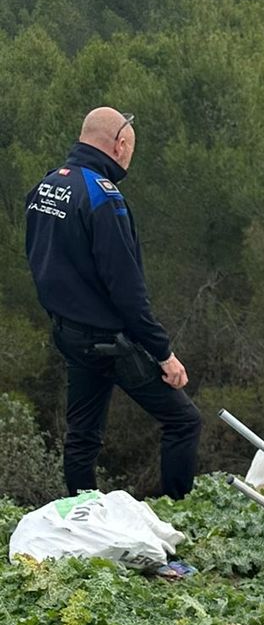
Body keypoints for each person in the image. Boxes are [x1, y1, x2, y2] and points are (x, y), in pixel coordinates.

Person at [25, 107, 201, 500]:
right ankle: (178, 509)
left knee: (82, 437)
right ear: (120, 146)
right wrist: (163, 353)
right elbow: (127, 290)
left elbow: (39, 261)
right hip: (109, 342)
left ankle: (84, 515)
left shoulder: (45, 187)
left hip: (67, 332)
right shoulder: (104, 198)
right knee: (184, 421)